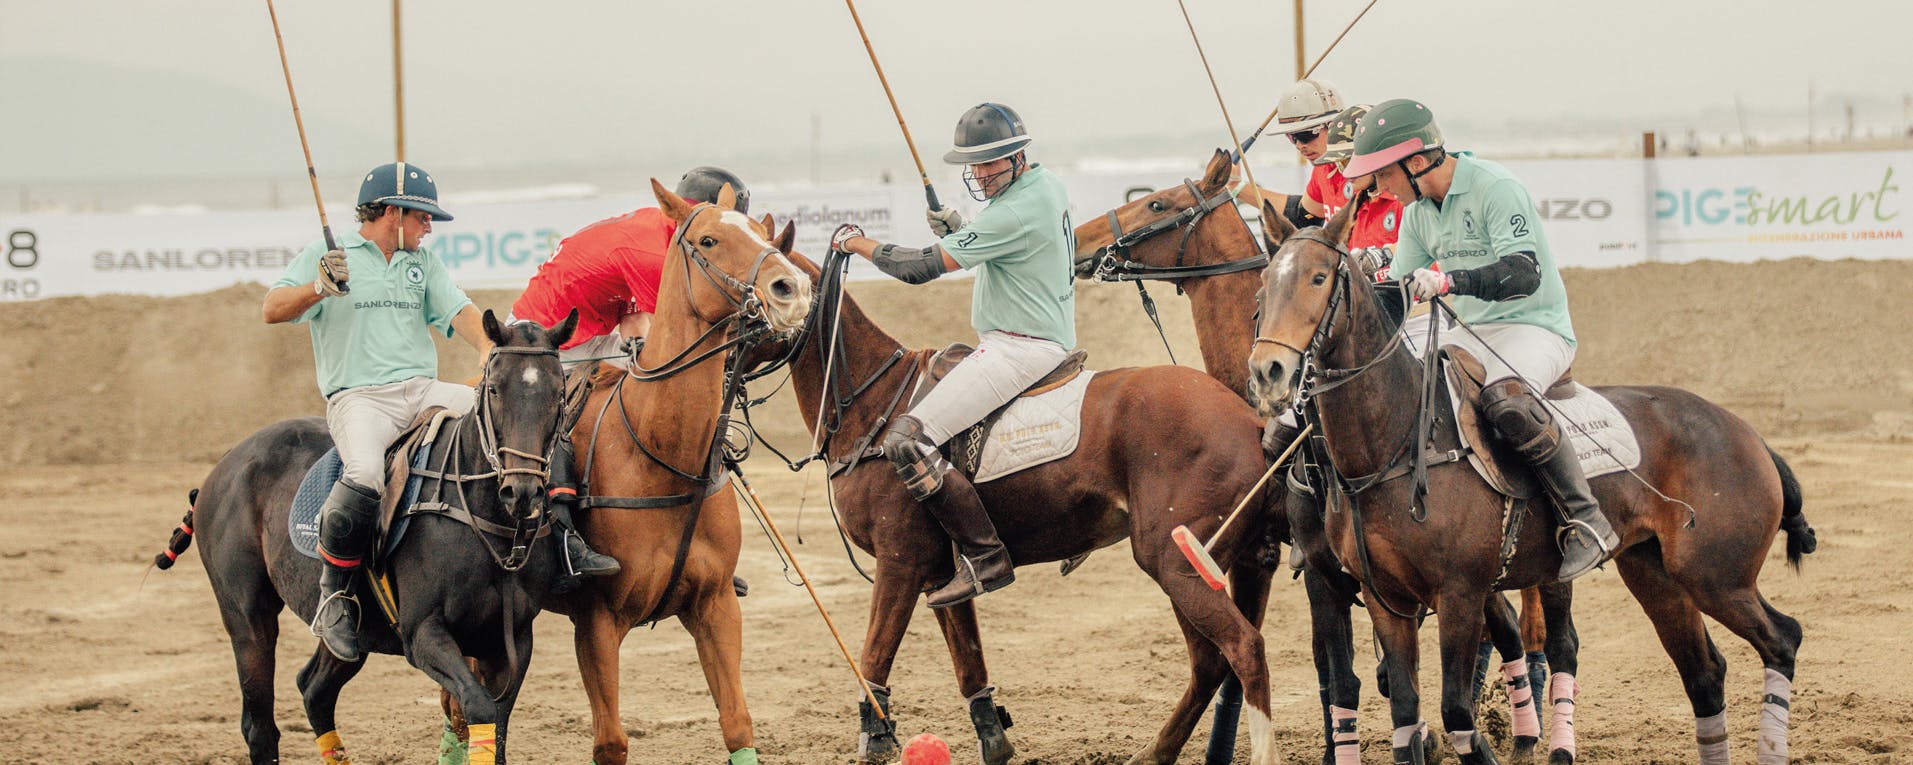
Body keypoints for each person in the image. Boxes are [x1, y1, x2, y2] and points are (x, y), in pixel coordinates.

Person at [1343, 98, 1618, 581]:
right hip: (1467, 332)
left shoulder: (1496, 188)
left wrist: (1450, 282)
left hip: (1533, 325)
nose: (1378, 186)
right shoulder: (1416, 212)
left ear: (1415, 160)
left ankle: (1586, 519)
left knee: (1506, 402)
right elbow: (1398, 293)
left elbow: (1523, 273)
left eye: (1383, 174)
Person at [827, 103, 1076, 608]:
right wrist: (959, 226)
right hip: (1038, 335)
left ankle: (986, 557)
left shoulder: (1011, 210)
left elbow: (919, 269)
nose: (981, 173)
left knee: (907, 441)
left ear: (1018, 156)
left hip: (1019, 347)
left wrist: (858, 243)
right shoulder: (1044, 186)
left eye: (991, 162)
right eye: (974, 164)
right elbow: (1007, 248)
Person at [262, 162, 491, 662]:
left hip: (421, 389)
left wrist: (487, 348)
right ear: (393, 212)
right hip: (359, 398)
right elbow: (273, 308)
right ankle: (336, 597)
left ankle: (559, 541)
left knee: (497, 420)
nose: (429, 227)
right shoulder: (329, 255)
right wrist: (317, 288)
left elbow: (457, 310)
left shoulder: (421, 263)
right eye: (423, 217)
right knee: (364, 473)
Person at [506, 167, 758, 595]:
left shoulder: (667, 233)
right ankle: (567, 538)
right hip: (546, 336)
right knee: (564, 423)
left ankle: (694, 543)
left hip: (597, 326)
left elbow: (635, 320)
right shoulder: (654, 253)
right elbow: (669, 333)